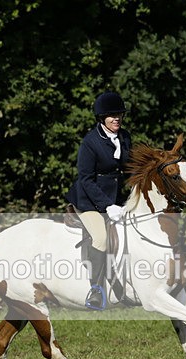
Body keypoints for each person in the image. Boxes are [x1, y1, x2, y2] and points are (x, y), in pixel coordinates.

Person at [65, 91, 131, 310]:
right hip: (88, 200)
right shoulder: (90, 142)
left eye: (119, 114)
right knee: (101, 238)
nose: (117, 119)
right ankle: (96, 290)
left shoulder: (125, 137)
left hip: (115, 199)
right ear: (102, 118)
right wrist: (106, 205)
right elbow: (85, 179)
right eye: (112, 116)